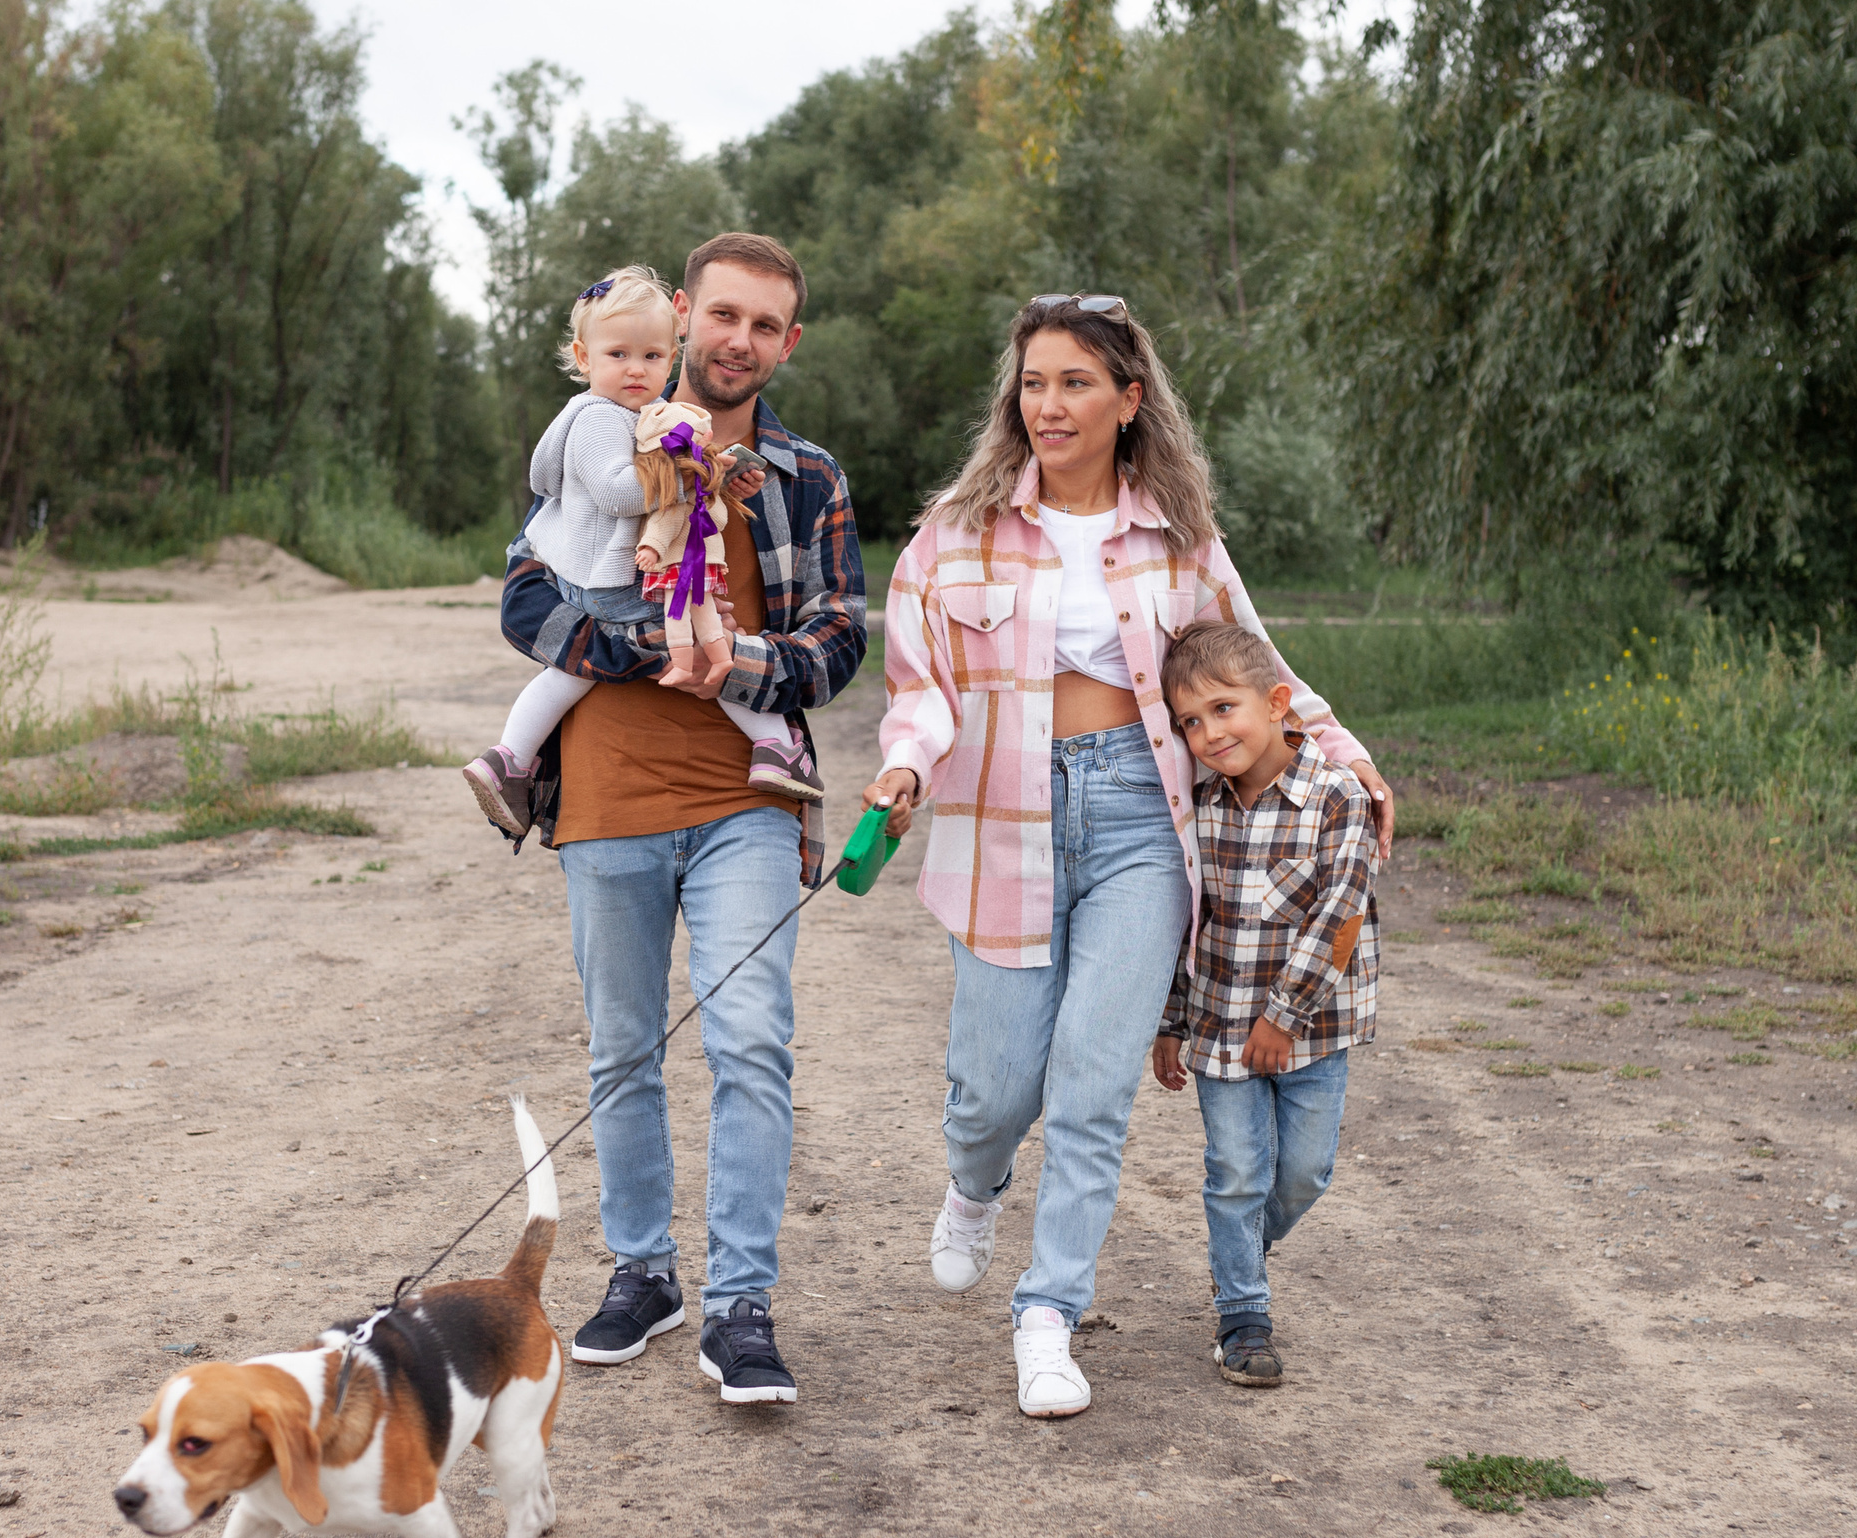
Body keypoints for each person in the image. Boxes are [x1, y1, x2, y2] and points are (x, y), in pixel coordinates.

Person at [864, 292, 1394, 1419]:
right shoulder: (951, 533)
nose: (1046, 404)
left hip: (1141, 821)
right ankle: (974, 1181)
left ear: (1127, 401)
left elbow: (1262, 669)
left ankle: (1047, 1313)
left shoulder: (1177, 536)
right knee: (998, 1088)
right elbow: (921, 692)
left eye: (1073, 383)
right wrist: (905, 767)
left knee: (1095, 1084)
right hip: (1002, 813)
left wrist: (1344, 755)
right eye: (1033, 382)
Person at [496, 233, 868, 1405]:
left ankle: (741, 1302)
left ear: (786, 343)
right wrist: (640, 645)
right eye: (723, 317)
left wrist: (738, 662)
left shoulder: (804, 476)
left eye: (765, 325)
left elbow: (840, 639)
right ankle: (642, 1272)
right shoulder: (597, 436)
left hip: (744, 802)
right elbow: (523, 595)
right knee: (623, 1048)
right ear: (685, 322)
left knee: (750, 1038)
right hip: (605, 799)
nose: (737, 341)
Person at [463, 267, 819, 839]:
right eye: (619, 355)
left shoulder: (639, 421)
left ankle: (510, 758)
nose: (636, 369)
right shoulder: (599, 418)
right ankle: (777, 743)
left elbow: (663, 493)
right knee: (708, 643)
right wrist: (695, 473)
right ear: (583, 356)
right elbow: (620, 492)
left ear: (673, 355)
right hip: (612, 583)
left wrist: (717, 481)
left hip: (602, 581)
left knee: (568, 675)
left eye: (653, 357)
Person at [1149, 621, 1379, 1388]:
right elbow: (1187, 920)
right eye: (1189, 722)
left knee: (1306, 1173)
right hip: (1219, 1026)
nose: (1208, 734)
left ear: (1279, 703)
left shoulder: (1335, 796)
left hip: (1313, 1031)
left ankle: (1240, 1246)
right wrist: (1170, 1021)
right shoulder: (1198, 807)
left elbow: (1341, 916)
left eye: (1222, 709)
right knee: (1236, 1172)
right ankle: (1242, 1313)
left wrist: (1285, 1015)